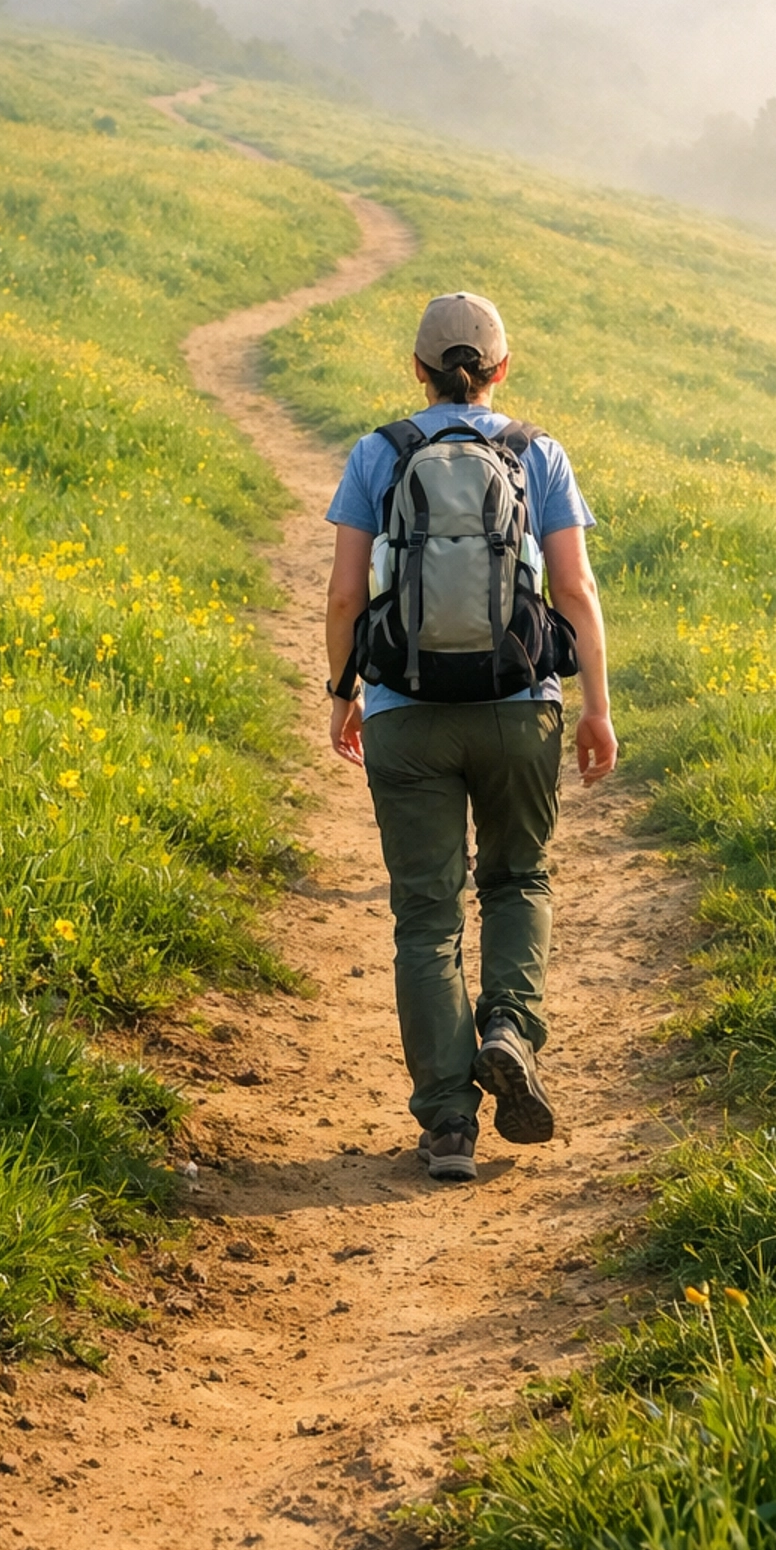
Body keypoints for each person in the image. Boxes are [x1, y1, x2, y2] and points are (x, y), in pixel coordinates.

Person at [324, 289, 617, 1183]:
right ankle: (509, 1031)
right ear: (501, 369)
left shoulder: (381, 452)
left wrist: (344, 695)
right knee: (519, 878)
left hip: (406, 710)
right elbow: (575, 592)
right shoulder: (539, 454)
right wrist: (596, 705)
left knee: (425, 916)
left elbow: (343, 593)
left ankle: (449, 1125)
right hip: (518, 704)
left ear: (417, 369)